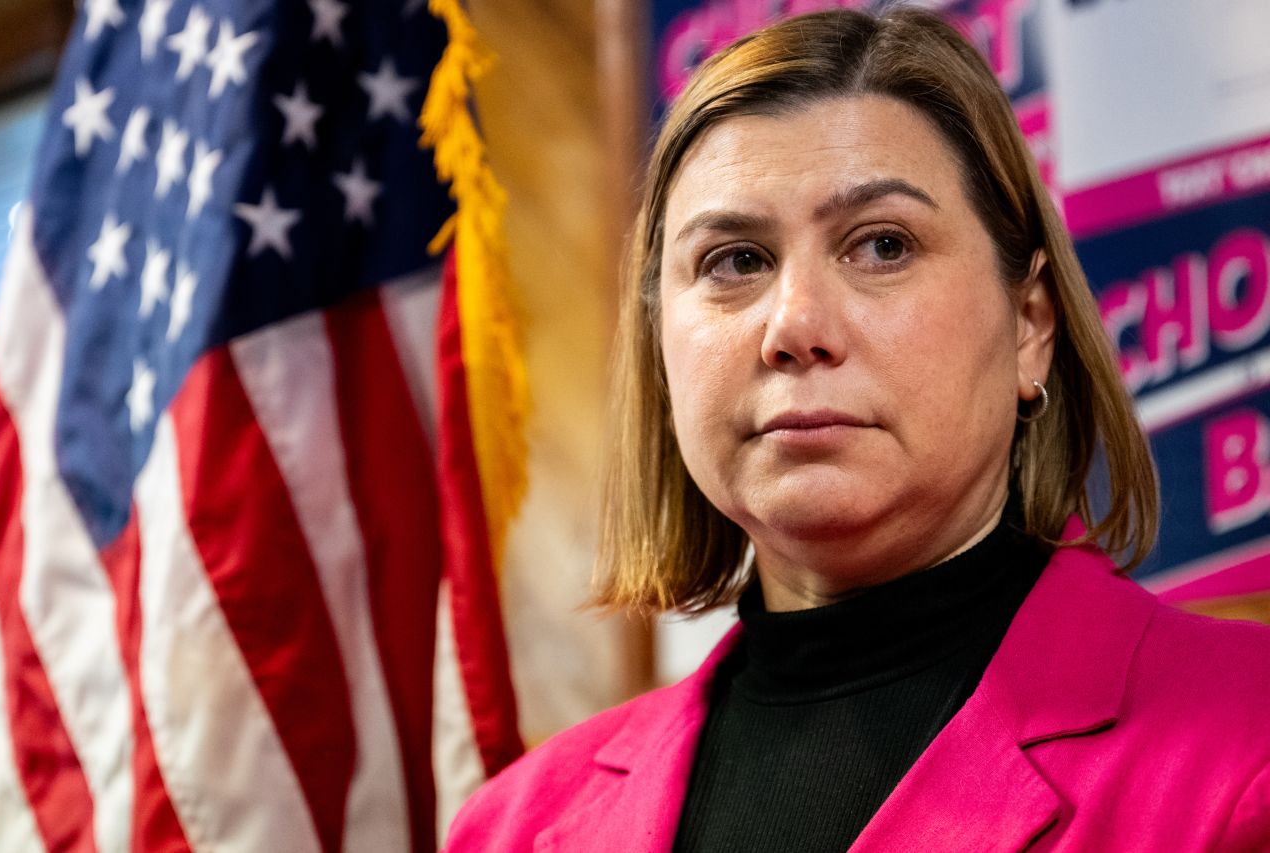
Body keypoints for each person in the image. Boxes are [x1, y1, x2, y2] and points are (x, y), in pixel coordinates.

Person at [445, 8, 1270, 851]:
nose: (795, 324)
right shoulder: (511, 826)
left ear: (1029, 326)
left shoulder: (1249, 746)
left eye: (881, 245)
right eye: (735, 260)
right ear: (660, 350)